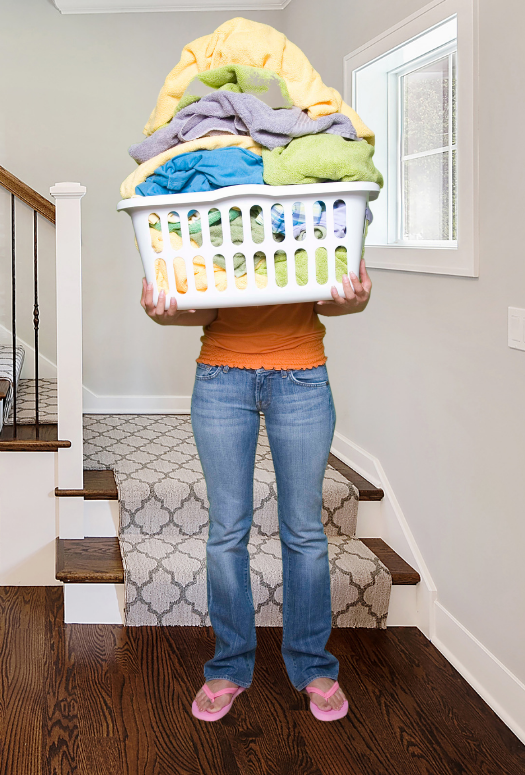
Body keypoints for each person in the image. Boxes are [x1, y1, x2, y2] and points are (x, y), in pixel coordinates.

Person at [140, 262, 372, 723]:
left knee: (304, 531)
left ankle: (311, 665)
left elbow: (337, 298)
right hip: (221, 379)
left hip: (301, 377)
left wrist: (356, 298)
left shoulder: (305, 210)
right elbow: (203, 312)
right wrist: (164, 312)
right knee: (227, 530)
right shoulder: (214, 219)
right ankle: (228, 665)